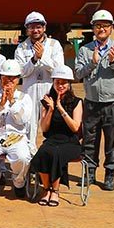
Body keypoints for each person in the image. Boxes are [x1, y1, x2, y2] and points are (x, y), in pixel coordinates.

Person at [75, 9, 114, 191]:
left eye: (105, 25)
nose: (101, 29)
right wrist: (92, 62)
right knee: (90, 139)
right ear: (93, 28)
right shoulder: (85, 50)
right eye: (98, 25)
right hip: (92, 102)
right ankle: (90, 172)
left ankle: (110, 174)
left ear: (111, 28)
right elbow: (77, 74)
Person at [0, 60, 33, 198]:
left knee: (23, 157)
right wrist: (0, 106)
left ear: (18, 79)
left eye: (12, 78)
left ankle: (19, 182)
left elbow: (23, 119)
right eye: (5, 77)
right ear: (0, 78)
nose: (8, 81)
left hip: (17, 137)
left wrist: (12, 103)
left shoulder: (25, 98)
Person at [30, 65, 83, 207]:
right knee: (43, 152)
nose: (60, 86)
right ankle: (46, 189)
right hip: (52, 140)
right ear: (53, 83)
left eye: (64, 82)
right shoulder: (47, 101)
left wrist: (61, 108)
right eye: (57, 82)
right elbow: (44, 128)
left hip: (70, 142)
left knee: (56, 153)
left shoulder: (77, 102)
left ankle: (55, 191)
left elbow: (75, 127)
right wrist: (51, 109)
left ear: (69, 84)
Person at [13, 12, 64, 151]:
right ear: (27, 29)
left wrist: (43, 57)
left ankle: (50, 161)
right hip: (29, 91)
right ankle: (31, 162)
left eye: (38, 27)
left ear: (44, 28)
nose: (35, 30)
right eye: (31, 27)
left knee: (52, 125)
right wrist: (34, 59)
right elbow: (21, 72)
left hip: (49, 89)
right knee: (29, 127)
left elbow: (58, 69)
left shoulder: (54, 45)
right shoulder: (21, 47)